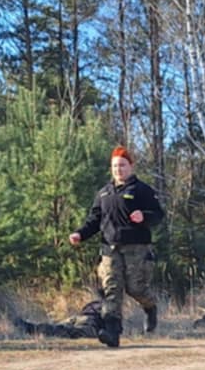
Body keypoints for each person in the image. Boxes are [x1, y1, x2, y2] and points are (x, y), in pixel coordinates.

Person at [68, 146, 166, 348]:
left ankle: (150, 306)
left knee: (135, 288)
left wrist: (144, 217)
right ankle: (112, 332)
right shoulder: (104, 193)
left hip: (136, 248)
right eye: (115, 166)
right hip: (109, 249)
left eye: (122, 165)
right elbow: (94, 220)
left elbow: (158, 215)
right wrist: (80, 234)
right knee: (111, 289)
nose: (118, 169)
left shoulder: (142, 190)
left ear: (131, 166)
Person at [14, 300, 108, 340]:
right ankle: (32, 329)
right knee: (67, 332)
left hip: (79, 317)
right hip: (92, 323)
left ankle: (31, 328)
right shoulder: (111, 305)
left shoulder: (99, 302)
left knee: (57, 327)